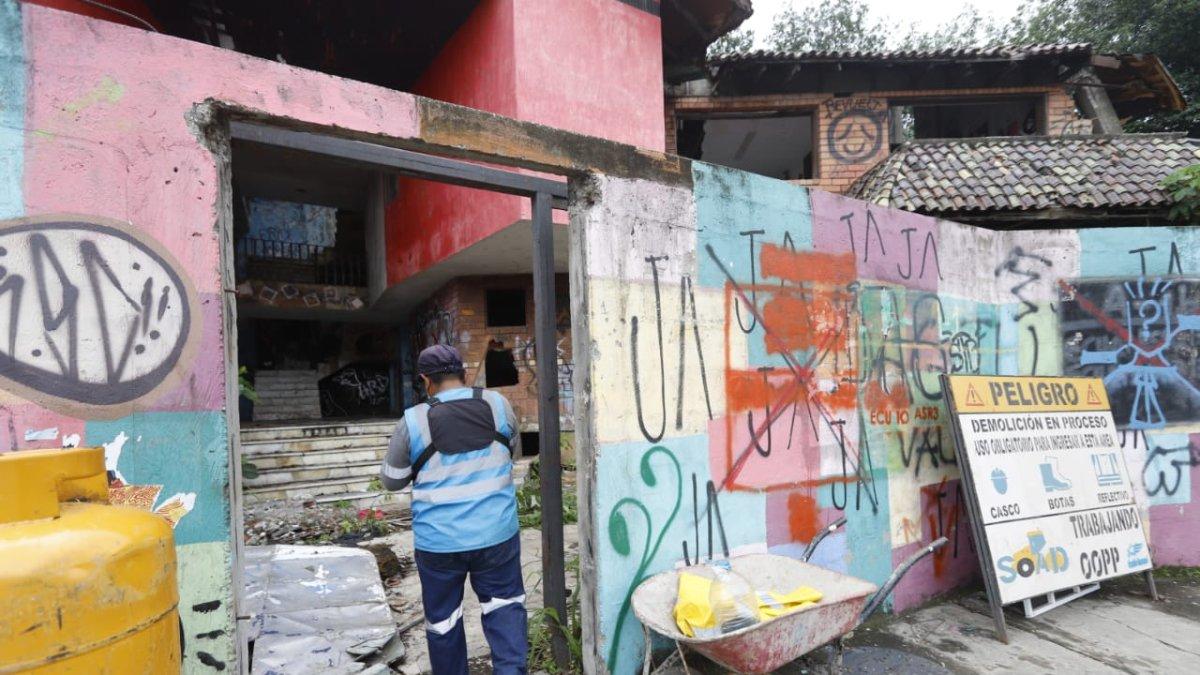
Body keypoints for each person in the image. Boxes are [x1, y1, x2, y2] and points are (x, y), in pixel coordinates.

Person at [380, 344, 526, 675]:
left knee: (444, 621)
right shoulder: (498, 405)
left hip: (439, 544)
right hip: (497, 536)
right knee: (505, 609)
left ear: (424, 380)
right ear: (463, 372)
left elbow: (392, 481)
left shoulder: (413, 420)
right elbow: (512, 455)